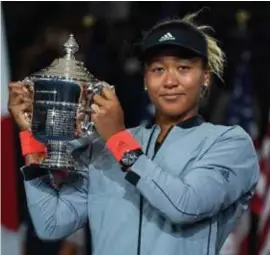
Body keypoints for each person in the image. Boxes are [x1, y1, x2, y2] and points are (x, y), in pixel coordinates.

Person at [8, 11, 259, 255]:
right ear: (145, 80)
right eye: (158, 70)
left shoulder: (230, 144)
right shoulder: (101, 150)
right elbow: (51, 224)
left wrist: (118, 140)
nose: (170, 81)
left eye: (183, 68)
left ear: (205, 77)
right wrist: (34, 140)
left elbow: (184, 207)